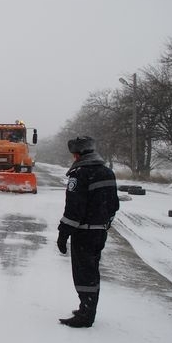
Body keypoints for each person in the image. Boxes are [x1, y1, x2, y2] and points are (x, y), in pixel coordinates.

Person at [57, 136, 119, 328]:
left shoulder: (80, 174)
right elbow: (114, 204)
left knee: (83, 273)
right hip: (99, 231)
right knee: (92, 271)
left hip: (83, 232)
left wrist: (63, 232)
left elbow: (74, 209)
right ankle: (88, 308)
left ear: (78, 154)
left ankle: (86, 314)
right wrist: (103, 223)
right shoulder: (107, 172)